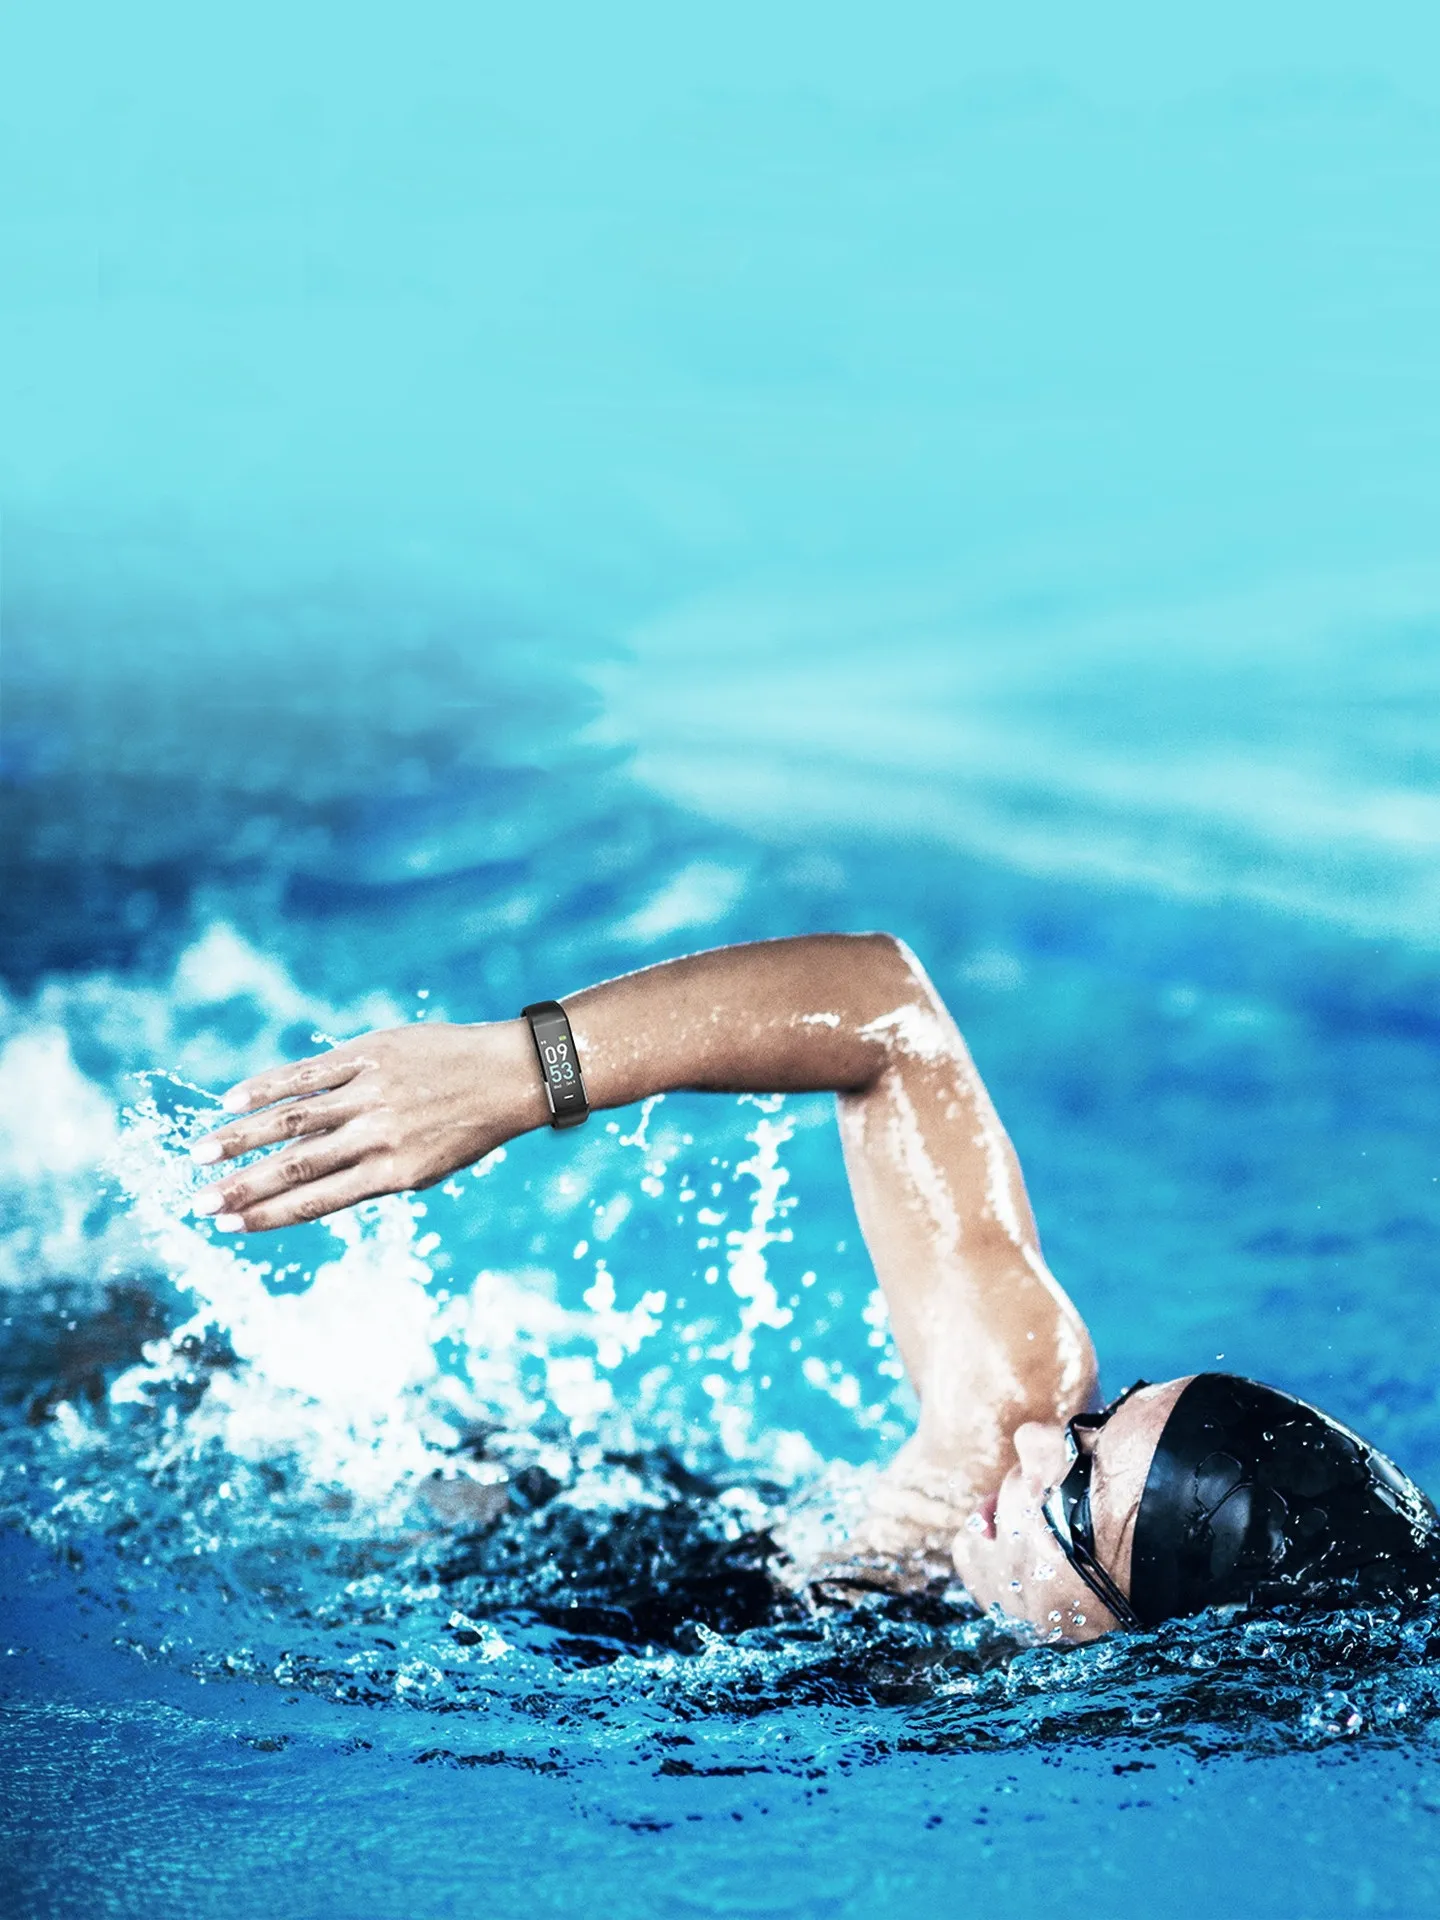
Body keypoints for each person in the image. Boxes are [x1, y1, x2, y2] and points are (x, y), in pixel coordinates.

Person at [187, 932, 1440, 1642]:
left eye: (1076, 1496)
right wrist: (525, 1070)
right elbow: (884, 1010)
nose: (1037, 1439)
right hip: (457, 1509)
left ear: (1146, 1643)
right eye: (1102, 1424)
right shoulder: (995, 1436)